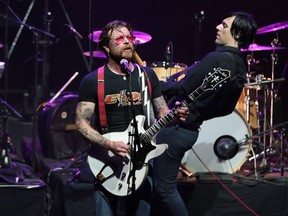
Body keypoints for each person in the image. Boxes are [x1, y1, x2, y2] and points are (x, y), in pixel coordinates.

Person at [75, 20, 188, 216]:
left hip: (142, 160)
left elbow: (162, 114)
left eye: (130, 38)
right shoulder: (93, 80)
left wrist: (175, 115)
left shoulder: (147, 76)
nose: (127, 42)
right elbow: (80, 124)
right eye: (120, 38)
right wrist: (109, 145)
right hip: (108, 161)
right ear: (106, 47)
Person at [150, 11, 258, 216]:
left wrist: (151, 84)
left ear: (237, 34)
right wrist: (198, 114)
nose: (218, 27)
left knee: (164, 189)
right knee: (160, 185)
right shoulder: (239, 67)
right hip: (189, 131)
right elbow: (226, 108)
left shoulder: (216, 58)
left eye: (224, 26)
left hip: (174, 129)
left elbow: (182, 88)